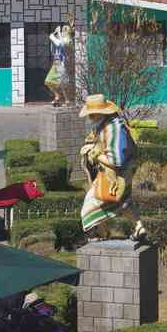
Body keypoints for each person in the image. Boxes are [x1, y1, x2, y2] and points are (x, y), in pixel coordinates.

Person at [78, 94, 137, 238]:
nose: (90, 117)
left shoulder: (114, 128)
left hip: (116, 177)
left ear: (101, 112)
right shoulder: (103, 126)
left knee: (91, 206)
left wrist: (94, 153)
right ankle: (105, 233)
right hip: (110, 175)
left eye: (92, 113)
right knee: (122, 204)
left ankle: (101, 234)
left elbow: (116, 160)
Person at [44, 24, 73, 107]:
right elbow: (55, 47)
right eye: (63, 30)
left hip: (63, 65)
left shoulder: (68, 41)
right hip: (56, 64)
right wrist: (54, 35)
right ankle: (57, 95)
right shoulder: (60, 39)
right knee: (48, 81)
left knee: (62, 83)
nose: (63, 32)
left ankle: (67, 100)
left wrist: (54, 36)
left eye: (65, 30)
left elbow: (61, 44)